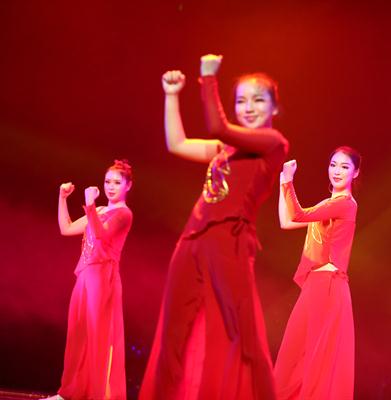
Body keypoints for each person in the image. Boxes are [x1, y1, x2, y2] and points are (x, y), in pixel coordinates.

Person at [139, 54, 288, 400]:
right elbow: (177, 144)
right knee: (174, 329)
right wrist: (171, 95)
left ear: (274, 108)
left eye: (258, 100)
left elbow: (218, 126)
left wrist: (208, 79)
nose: (248, 108)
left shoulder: (273, 143)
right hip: (192, 236)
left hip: (229, 239)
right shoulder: (225, 147)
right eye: (241, 101)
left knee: (237, 329)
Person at [274, 146, 360, 399]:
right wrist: (282, 181)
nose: (337, 171)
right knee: (294, 352)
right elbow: (287, 221)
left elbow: (298, 214)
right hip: (316, 284)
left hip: (328, 285)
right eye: (333, 165)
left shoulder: (345, 204)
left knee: (314, 359)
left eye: (345, 167)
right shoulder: (328, 204)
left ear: (355, 173)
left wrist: (289, 181)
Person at [45, 160, 133, 400]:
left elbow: (102, 235)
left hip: (103, 277)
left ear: (128, 186)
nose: (111, 187)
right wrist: (62, 198)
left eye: (117, 182)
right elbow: (66, 228)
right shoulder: (101, 210)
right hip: (85, 274)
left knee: (98, 336)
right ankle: (67, 392)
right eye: (107, 182)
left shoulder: (124, 214)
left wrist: (91, 205)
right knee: (77, 333)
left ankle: (97, 394)